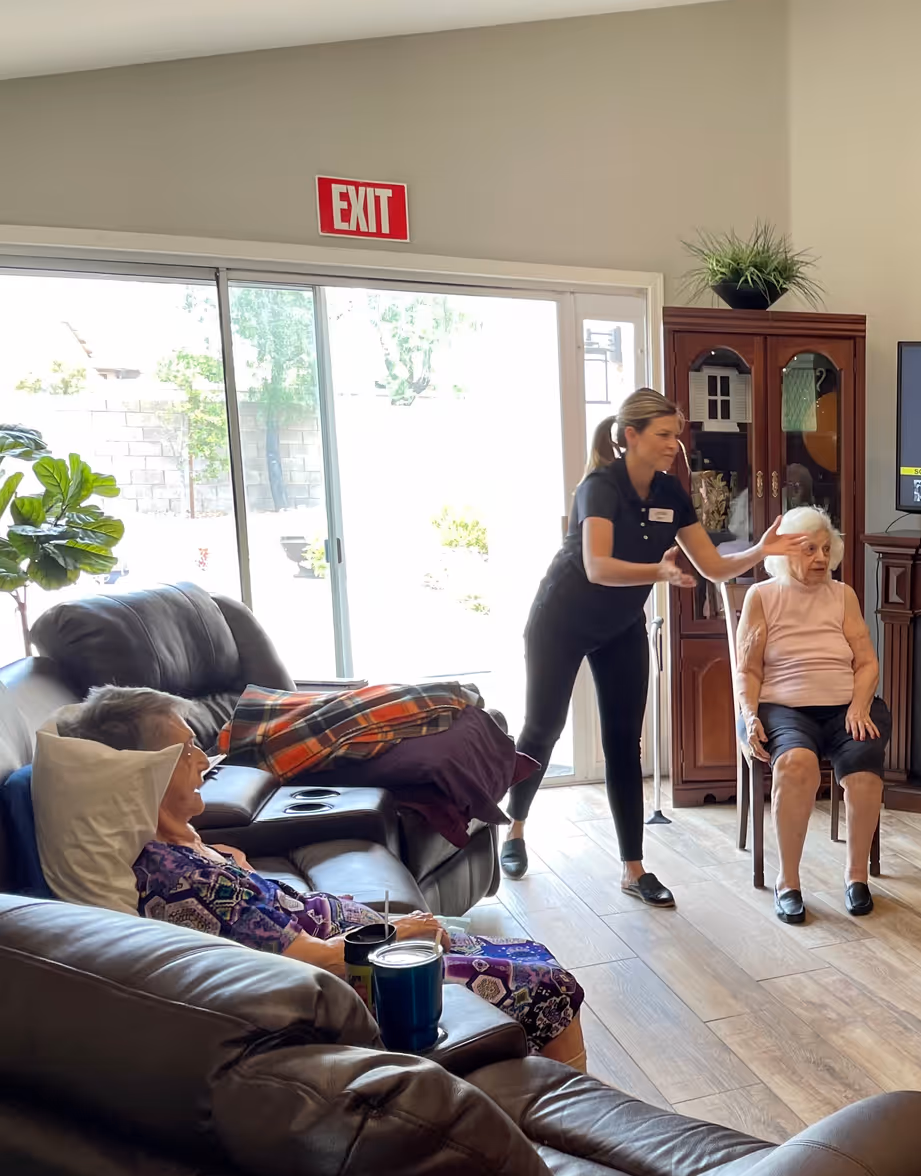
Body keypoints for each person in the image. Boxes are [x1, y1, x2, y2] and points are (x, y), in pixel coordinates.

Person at [56, 686, 590, 1069]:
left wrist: (227, 862)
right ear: (142, 771)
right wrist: (400, 935)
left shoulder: (181, 847)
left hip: (368, 948)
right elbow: (309, 963)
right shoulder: (175, 878)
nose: (206, 760)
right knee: (550, 985)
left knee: (530, 953)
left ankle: (536, 1092)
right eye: (187, 751)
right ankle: (576, 1126)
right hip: (367, 976)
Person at [504, 387, 808, 906]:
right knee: (543, 729)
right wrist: (659, 573)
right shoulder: (599, 487)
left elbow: (712, 566)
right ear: (631, 437)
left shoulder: (669, 491)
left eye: (677, 435)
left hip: (620, 624)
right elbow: (598, 567)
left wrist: (760, 549)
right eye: (664, 435)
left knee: (625, 742)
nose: (674, 444)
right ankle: (514, 828)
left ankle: (633, 868)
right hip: (562, 619)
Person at [733, 507, 885, 926]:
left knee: (863, 769)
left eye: (824, 549)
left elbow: (867, 662)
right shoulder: (761, 597)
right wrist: (749, 715)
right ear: (783, 553)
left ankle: (856, 877)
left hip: (845, 706)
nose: (820, 558)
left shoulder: (843, 595)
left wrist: (859, 705)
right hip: (782, 708)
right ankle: (788, 882)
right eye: (808, 550)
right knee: (796, 764)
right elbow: (748, 669)